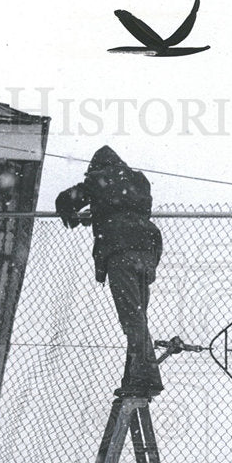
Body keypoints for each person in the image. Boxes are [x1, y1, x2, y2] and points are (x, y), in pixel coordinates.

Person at [55, 145, 164, 397]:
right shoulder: (139, 181)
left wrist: (75, 216)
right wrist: (100, 213)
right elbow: (128, 209)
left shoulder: (99, 179)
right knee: (138, 316)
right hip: (147, 250)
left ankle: (146, 377)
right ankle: (133, 376)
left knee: (131, 317)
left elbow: (66, 200)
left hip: (120, 250)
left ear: (96, 168)